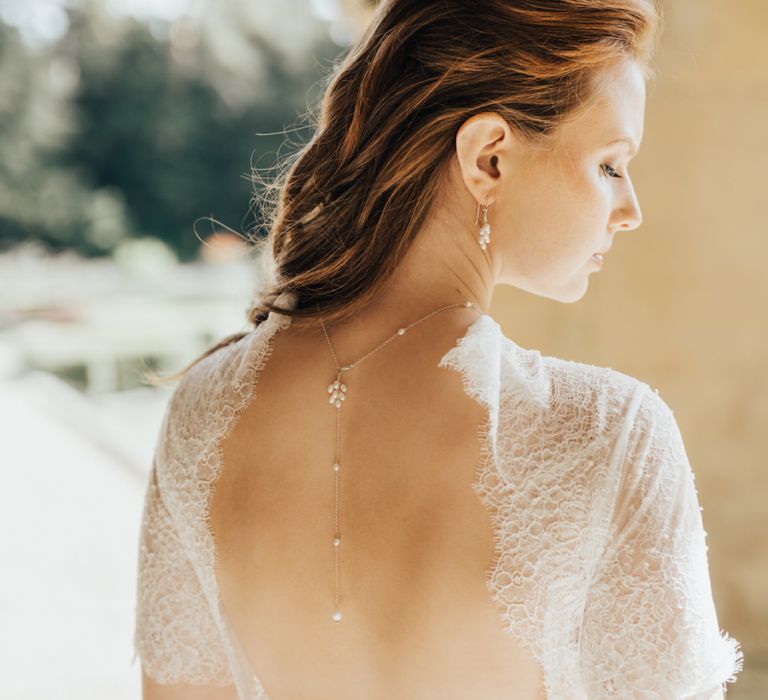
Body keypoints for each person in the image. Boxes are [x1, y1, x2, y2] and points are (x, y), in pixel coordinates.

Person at [132, 0, 744, 698]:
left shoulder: (203, 410)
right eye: (610, 164)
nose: (631, 208)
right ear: (489, 158)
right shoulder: (611, 434)